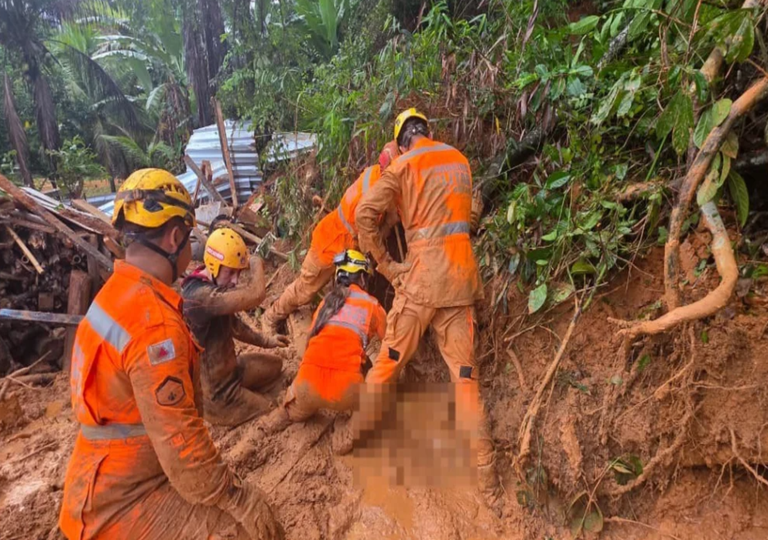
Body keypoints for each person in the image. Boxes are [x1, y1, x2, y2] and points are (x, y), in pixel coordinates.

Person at [59, 168, 284, 540]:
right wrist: (238, 497)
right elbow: (183, 449)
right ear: (176, 236)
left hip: (99, 480)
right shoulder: (155, 326)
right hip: (122, 504)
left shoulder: (115, 296)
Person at [352, 109, 503, 509]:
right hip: (460, 286)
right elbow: (471, 214)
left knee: (387, 363)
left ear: (402, 141)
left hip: (419, 287)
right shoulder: (460, 160)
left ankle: (360, 435)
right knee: (466, 379)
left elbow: (363, 215)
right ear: (427, 133)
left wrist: (387, 266)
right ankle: (487, 477)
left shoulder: (403, 166)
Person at [260, 142, 399, 334]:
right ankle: (271, 317)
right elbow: (369, 235)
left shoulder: (375, 173)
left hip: (347, 243)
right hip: (330, 242)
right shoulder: (374, 192)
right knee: (305, 290)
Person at [260, 250, 385, 434]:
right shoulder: (372, 305)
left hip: (307, 384)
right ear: (363, 279)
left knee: (288, 412)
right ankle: (351, 430)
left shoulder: (326, 303)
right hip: (346, 391)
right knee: (376, 377)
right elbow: (393, 340)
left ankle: (268, 425)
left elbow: (311, 342)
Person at [181, 227, 288, 427]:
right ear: (213, 264)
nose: (235, 281)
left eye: (238, 273)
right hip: (218, 394)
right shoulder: (198, 297)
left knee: (276, 366)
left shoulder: (213, 290)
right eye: (230, 272)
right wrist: (255, 262)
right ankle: (223, 411)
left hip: (232, 371)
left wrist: (267, 341)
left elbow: (235, 326)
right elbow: (256, 295)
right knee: (271, 408)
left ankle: (247, 395)